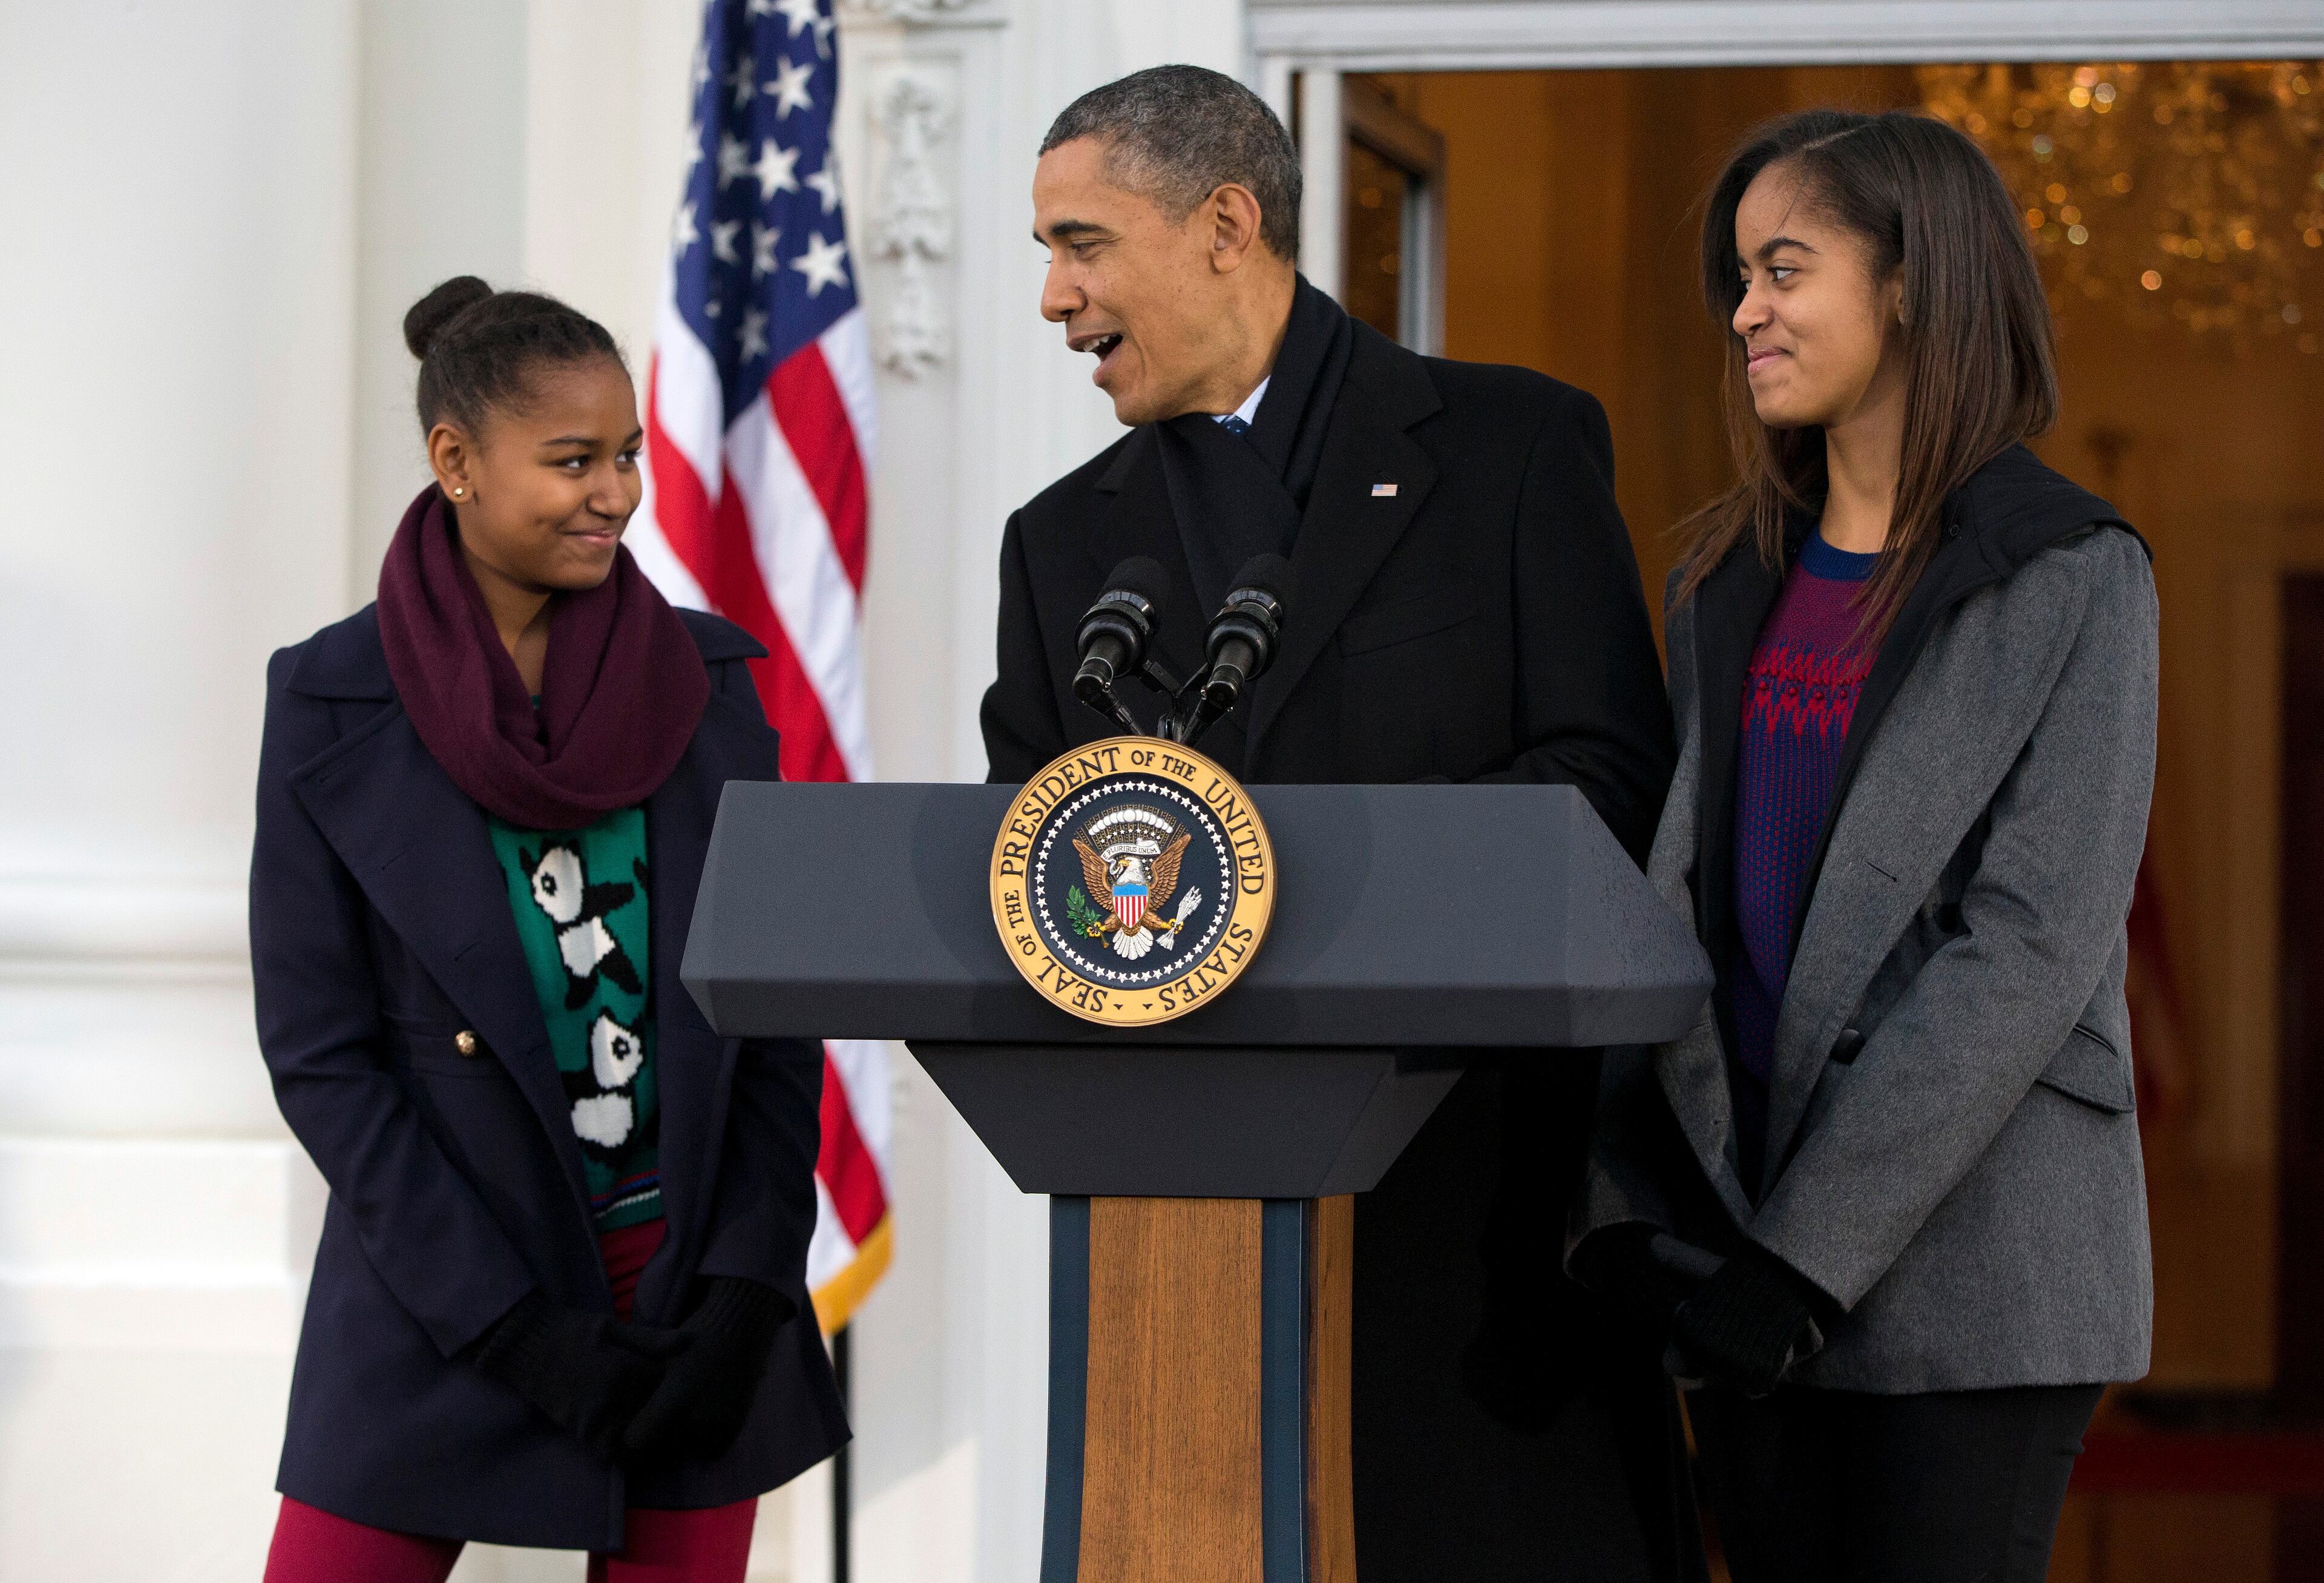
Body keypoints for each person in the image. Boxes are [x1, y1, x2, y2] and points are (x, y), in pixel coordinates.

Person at [982, 65, 1692, 1583]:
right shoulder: (1058, 549)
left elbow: (1610, 781)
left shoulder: (1508, 451)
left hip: (1482, 1226)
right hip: (1179, 1261)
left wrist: (1291, 890)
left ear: (1226, 223)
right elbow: (1025, 857)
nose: (1053, 297)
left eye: (1081, 241)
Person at [1571, 108, 2156, 1583]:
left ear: (1911, 285)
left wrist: (1803, 1263)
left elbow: (2027, 951)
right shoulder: (1722, 574)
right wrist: (1632, 1202)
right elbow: (1677, 911)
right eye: (1739, 280)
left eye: (1784, 270)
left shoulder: (2078, 573)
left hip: (1977, 1268)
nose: (1744, 312)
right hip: (1739, 1244)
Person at [250, 277, 846, 1582]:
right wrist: (513, 1329)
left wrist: (749, 1283)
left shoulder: (716, 685)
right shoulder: (326, 699)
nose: (616, 493)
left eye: (626, 454)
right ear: (455, 461)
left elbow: (776, 1017)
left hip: (692, 1296)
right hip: (444, 1297)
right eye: (572, 461)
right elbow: (323, 1057)